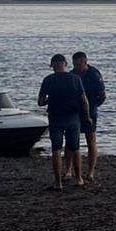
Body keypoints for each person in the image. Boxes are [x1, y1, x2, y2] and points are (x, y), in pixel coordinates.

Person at [37, 53, 92, 190]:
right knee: (75, 148)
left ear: (52, 66)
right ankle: (78, 178)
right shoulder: (75, 78)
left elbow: (40, 102)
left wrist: (49, 100)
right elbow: (84, 100)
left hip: (55, 118)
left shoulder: (48, 80)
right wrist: (87, 117)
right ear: (65, 64)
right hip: (73, 117)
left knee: (56, 149)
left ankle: (58, 183)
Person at [72, 51, 106, 182]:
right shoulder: (72, 74)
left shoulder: (94, 74)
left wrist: (94, 107)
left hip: (90, 110)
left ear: (85, 62)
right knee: (72, 141)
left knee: (91, 140)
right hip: (75, 110)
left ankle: (90, 172)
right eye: (74, 64)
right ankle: (69, 170)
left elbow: (102, 95)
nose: (76, 66)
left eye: (78, 64)